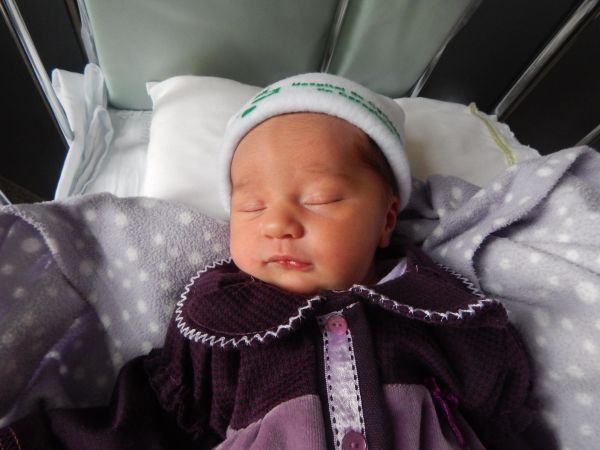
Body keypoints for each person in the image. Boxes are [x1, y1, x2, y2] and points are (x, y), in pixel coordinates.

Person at [0, 73, 542, 449]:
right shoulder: (218, 321)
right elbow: (148, 422)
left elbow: (502, 421)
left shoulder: (444, 310)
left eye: (321, 199)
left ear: (385, 219)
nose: (277, 223)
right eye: (252, 206)